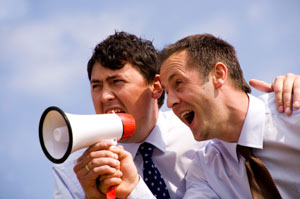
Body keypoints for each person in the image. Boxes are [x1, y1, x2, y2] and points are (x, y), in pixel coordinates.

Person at [52, 31, 299, 199]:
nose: (104, 96)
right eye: (96, 86)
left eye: (117, 81)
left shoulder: (201, 139)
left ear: (155, 87)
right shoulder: (74, 170)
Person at [159, 33, 300, 198]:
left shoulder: (293, 116)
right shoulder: (204, 170)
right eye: (167, 92)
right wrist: (134, 187)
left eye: (178, 83)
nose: (169, 103)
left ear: (218, 74)